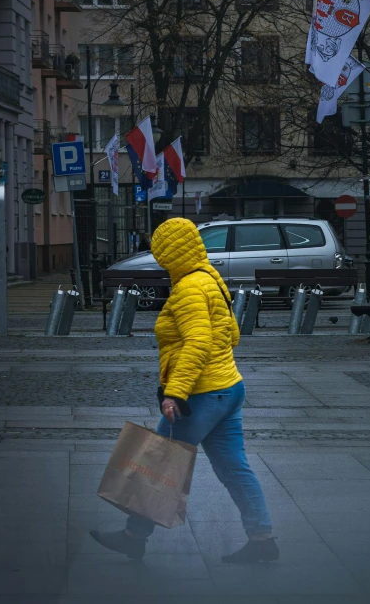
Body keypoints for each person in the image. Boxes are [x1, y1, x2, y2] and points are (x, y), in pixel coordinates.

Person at [91, 218, 278, 564]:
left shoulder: (190, 287)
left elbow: (198, 342)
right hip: (228, 388)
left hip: (201, 396)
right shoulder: (209, 277)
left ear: (168, 253)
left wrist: (174, 393)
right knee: (234, 469)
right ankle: (262, 538)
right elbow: (232, 334)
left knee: (156, 465)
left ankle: (134, 536)